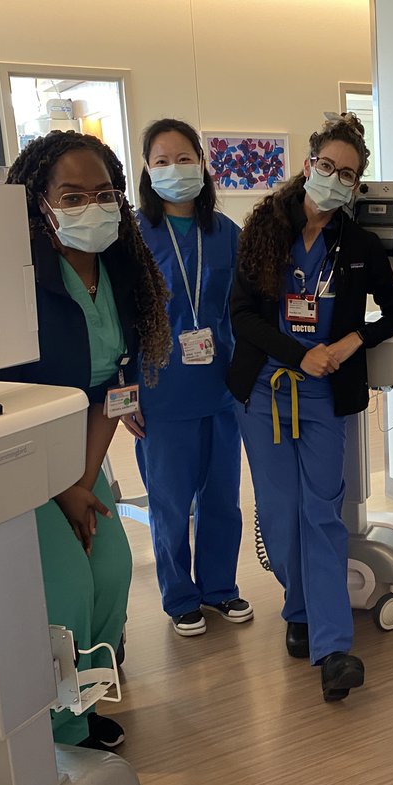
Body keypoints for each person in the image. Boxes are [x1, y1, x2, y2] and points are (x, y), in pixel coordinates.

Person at [0, 130, 172, 751]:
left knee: (113, 568)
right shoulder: (17, 283)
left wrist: (80, 480)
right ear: (39, 202)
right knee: (66, 587)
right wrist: (57, 485)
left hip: (80, 458)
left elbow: (113, 388)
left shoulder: (121, 276)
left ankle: (86, 703)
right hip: (18, 461)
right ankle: (53, 730)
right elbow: (5, 399)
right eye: (71, 195)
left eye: (103, 193)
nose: (90, 207)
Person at [227, 113, 393, 703]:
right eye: (327, 166)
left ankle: (334, 648)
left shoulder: (357, 246)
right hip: (265, 393)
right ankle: (299, 606)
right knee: (281, 517)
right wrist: (297, 354)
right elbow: (243, 316)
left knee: (322, 513)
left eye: (348, 174)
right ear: (309, 167)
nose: (335, 178)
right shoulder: (263, 231)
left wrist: (349, 343)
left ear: (357, 186)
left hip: (328, 396)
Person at [122, 118, 250, 637]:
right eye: (161, 161)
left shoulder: (226, 234)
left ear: (202, 162)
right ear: (147, 172)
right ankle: (179, 596)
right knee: (170, 503)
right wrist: (124, 390)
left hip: (221, 389)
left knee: (222, 498)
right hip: (160, 390)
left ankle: (220, 587)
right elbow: (120, 315)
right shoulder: (129, 236)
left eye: (184, 158)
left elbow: (242, 311)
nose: (174, 170)